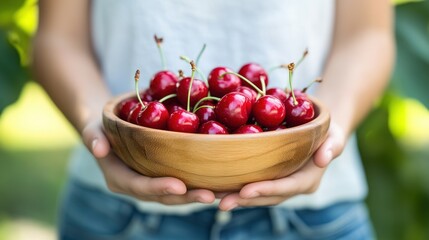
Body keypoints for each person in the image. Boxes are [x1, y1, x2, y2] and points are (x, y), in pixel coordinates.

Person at [33, 0, 394, 239]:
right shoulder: (171, 106)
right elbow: (58, 37)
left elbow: (367, 34)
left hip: (315, 218)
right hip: (114, 213)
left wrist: (328, 136)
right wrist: (98, 130)